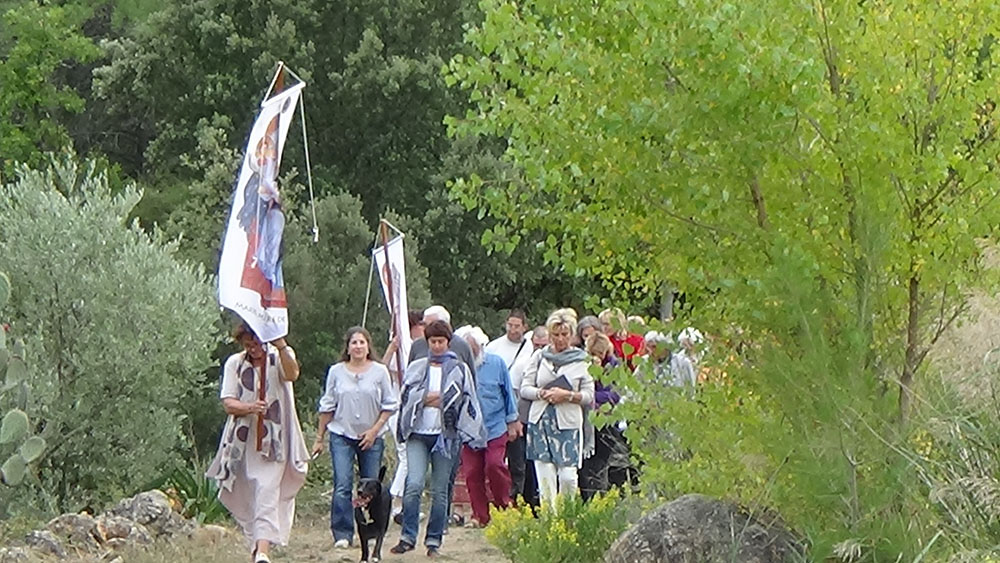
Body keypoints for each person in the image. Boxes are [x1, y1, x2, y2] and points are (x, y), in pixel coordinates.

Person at [206, 323, 308, 563]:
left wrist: (281, 345)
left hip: (276, 440)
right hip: (242, 441)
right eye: (248, 344)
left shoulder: (279, 358)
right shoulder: (235, 364)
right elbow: (229, 403)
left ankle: (263, 551)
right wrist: (250, 408)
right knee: (249, 492)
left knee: (266, 490)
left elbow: (292, 374)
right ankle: (256, 545)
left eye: (257, 343)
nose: (253, 349)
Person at [391, 320, 485, 557]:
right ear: (427, 342)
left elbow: (464, 400)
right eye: (433, 342)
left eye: (441, 342)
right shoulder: (416, 367)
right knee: (413, 484)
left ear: (448, 342)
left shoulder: (459, 368)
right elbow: (408, 397)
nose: (437, 346)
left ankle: (434, 539)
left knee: (441, 489)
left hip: (447, 436)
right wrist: (429, 398)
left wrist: (433, 399)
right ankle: (407, 536)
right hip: (418, 434)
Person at [311, 327, 397, 548]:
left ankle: (371, 532)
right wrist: (319, 437)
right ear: (347, 347)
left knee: (371, 486)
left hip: (372, 436)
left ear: (368, 346)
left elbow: (389, 404)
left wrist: (374, 430)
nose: (358, 347)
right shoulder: (336, 372)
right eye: (354, 343)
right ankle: (342, 533)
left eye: (362, 342)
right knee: (343, 484)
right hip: (342, 434)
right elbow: (327, 405)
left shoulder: (379, 372)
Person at [520, 308, 595, 508]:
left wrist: (568, 395)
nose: (560, 339)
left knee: (568, 476)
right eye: (556, 335)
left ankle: (567, 514)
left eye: (564, 335)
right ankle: (549, 521)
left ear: (572, 335)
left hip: (567, 423)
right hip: (541, 421)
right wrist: (542, 394)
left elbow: (589, 395)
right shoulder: (539, 357)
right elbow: (525, 388)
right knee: (545, 477)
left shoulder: (583, 360)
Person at [456, 325, 521, 526]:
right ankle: (480, 516)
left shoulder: (496, 363)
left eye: (472, 348)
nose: (470, 352)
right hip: (469, 430)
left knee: (495, 465)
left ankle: (504, 507)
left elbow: (508, 394)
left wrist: (512, 421)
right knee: (472, 473)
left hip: (495, 426)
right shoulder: (457, 367)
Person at [382, 310, 425, 523]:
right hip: (397, 408)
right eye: (421, 324)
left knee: (409, 458)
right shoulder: (403, 349)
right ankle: (394, 500)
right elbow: (383, 370)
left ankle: (401, 504)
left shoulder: (418, 348)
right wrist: (393, 348)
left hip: (412, 408)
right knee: (407, 456)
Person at [578, 333, 631, 501]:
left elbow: (614, 395)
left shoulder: (615, 366)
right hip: (586, 419)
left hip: (607, 420)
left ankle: (601, 497)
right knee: (586, 464)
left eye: (600, 354)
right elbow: (581, 390)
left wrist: (594, 396)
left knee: (601, 462)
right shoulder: (582, 365)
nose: (597, 357)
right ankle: (587, 497)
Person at [409, 305, 477, 380]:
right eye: (424, 325)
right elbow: (409, 377)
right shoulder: (417, 346)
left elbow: (471, 381)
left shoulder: (462, 346)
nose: (436, 346)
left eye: (432, 325)